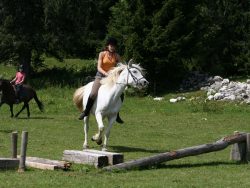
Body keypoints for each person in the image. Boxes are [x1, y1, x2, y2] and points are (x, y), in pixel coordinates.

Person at [78, 37, 124, 123]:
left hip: (112, 78)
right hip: (100, 76)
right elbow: (99, 67)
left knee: (120, 94)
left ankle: (117, 114)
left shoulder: (117, 56)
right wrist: (106, 74)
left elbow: (120, 68)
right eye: (111, 45)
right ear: (107, 45)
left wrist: (117, 75)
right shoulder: (102, 54)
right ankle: (86, 111)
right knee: (93, 93)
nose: (112, 47)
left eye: (113, 46)